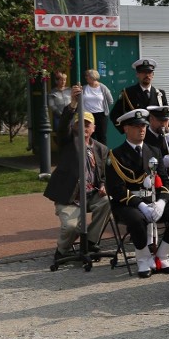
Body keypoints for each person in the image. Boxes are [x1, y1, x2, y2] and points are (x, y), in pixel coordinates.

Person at [105, 109, 169, 278]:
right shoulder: (115, 155)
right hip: (128, 202)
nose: (142, 129)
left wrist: (162, 202)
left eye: (144, 126)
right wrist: (140, 204)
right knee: (136, 219)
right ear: (126, 129)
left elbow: (165, 180)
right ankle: (143, 259)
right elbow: (115, 189)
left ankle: (162, 255)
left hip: (153, 198)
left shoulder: (153, 151)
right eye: (136, 126)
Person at [43, 100, 110, 263]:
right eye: (80, 124)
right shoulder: (68, 142)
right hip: (69, 197)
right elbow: (62, 126)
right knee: (72, 227)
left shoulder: (101, 149)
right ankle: (62, 251)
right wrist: (72, 105)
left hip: (91, 194)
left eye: (87, 124)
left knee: (108, 201)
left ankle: (90, 243)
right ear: (74, 127)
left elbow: (105, 174)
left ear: (93, 128)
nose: (84, 127)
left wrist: (103, 185)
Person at [109, 58, 169, 131]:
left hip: (156, 135)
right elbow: (114, 114)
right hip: (137, 135)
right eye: (143, 72)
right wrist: (127, 129)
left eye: (149, 72)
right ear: (137, 74)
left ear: (153, 75)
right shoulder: (128, 93)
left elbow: (166, 114)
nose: (147, 75)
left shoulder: (160, 94)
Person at [83, 69, 113, 145]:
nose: (86, 78)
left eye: (87, 76)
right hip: (88, 115)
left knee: (101, 136)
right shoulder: (84, 88)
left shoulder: (103, 87)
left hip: (101, 115)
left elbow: (110, 100)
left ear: (93, 77)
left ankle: (103, 155)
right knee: (89, 136)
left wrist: (103, 106)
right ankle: (90, 155)